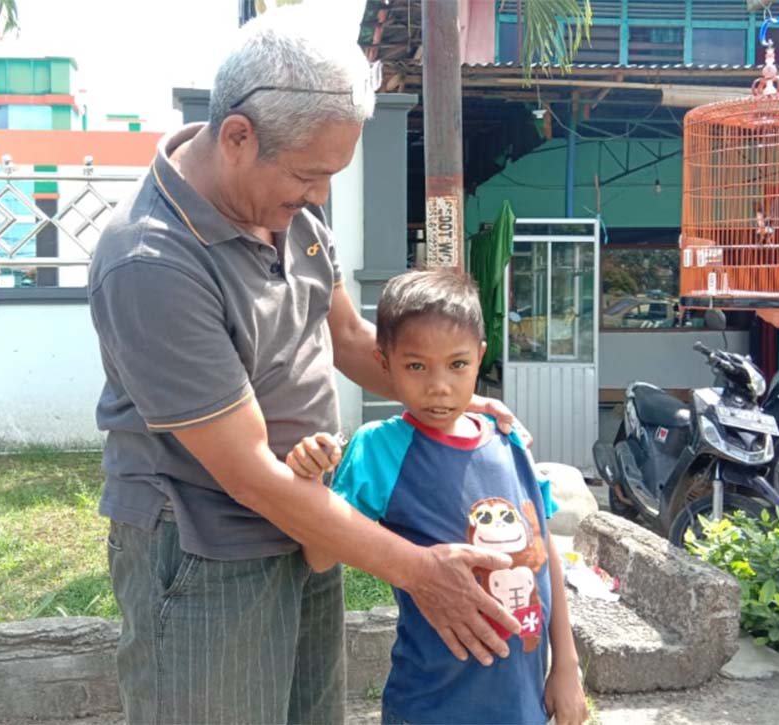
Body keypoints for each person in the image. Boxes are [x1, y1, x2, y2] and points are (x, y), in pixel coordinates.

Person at [88, 8, 528, 724]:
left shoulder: (292, 215)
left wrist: (446, 398)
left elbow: (353, 340)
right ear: (237, 137)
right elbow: (250, 471)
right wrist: (418, 571)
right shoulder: (152, 263)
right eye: (308, 174)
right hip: (207, 549)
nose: (320, 196)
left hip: (311, 528)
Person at [287, 269, 589, 725]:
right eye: (416, 366)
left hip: (521, 705)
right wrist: (310, 481)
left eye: (457, 364)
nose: (439, 386)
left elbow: (544, 550)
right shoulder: (380, 448)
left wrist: (565, 666)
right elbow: (320, 556)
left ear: (480, 358)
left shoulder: (509, 441)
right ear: (383, 363)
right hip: (432, 705)